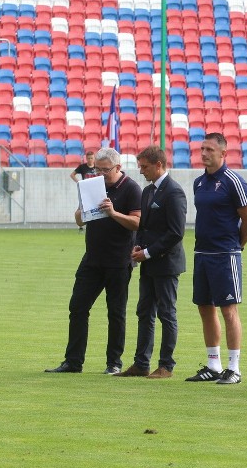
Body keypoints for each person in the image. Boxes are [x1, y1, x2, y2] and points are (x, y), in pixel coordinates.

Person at [46, 148, 141, 374]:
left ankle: (114, 363)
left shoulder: (132, 189)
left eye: (105, 169)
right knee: (77, 307)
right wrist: (80, 212)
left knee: (115, 312)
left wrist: (113, 213)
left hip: (119, 260)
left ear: (117, 168)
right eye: (97, 168)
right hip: (92, 259)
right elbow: (80, 220)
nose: (99, 172)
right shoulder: (91, 185)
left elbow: (137, 223)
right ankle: (73, 361)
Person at [185, 133, 247, 385]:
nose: (204, 153)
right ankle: (213, 364)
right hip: (202, 253)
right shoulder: (199, 183)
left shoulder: (234, 181)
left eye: (210, 150)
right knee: (204, 307)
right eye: (202, 149)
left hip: (225, 255)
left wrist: (237, 246)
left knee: (229, 310)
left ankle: (234, 368)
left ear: (223, 154)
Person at [116, 146, 187, 379]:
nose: (141, 171)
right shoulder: (147, 192)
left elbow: (176, 232)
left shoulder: (174, 192)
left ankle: (166, 366)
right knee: (144, 312)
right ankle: (141, 364)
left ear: (159, 165)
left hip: (166, 264)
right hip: (148, 262)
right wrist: (138, 245)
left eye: (145, 167)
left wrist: (147, 252)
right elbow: (144, 226)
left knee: (167, 313)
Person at [71, 151, 97, 232]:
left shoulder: (97, 167)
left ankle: (95, 223)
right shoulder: (82, 167)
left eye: (92, 158)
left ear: (94, 158)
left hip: (95, 191)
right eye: (88, 158)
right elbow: (72, 174)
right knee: (82, 207)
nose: (90, 160)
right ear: (86, 158)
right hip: (85, 191)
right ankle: (81, 225)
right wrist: (79, 182)